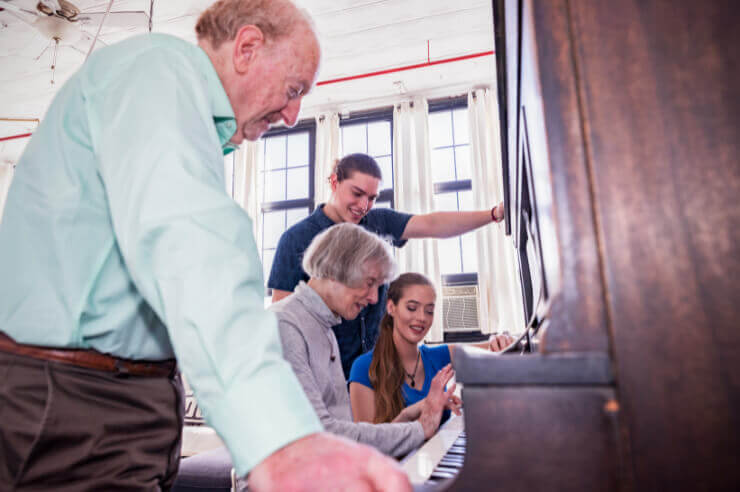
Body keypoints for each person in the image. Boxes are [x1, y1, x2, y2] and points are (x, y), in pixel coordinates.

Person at [0, 1, 411, 490]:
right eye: (294, 88)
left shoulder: (188, 117)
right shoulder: (156, 74)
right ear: (247, 47)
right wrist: (283, 442)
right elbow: (195, 251)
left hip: (113, 398)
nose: (293, 113)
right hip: (75, 399)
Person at [268, 152, 506, 378]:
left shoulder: (377, 221)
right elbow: (286, 322)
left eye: (372, 198)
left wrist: (494, 214)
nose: (364, 206)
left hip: (379, 371)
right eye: (357, 193)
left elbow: (433, 223)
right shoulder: (296, 240)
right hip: (331, 376)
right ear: (334, 182)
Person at [271, 223, 460, 458]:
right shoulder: (283, 324)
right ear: (335, 269)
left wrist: (410, 415)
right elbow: (318, 435)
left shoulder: (324, 327)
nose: (373, 299)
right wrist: (420, 430)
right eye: (370, 283)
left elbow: (345, 434)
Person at [349, 272, 514, 425]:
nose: (422, 318)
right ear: (391, 307)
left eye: (429, 311)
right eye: (412, 308)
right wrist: (415, 412)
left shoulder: (438, 355)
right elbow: (368, 447)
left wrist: (498, 339)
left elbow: (494, 349)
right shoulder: (363, 367)